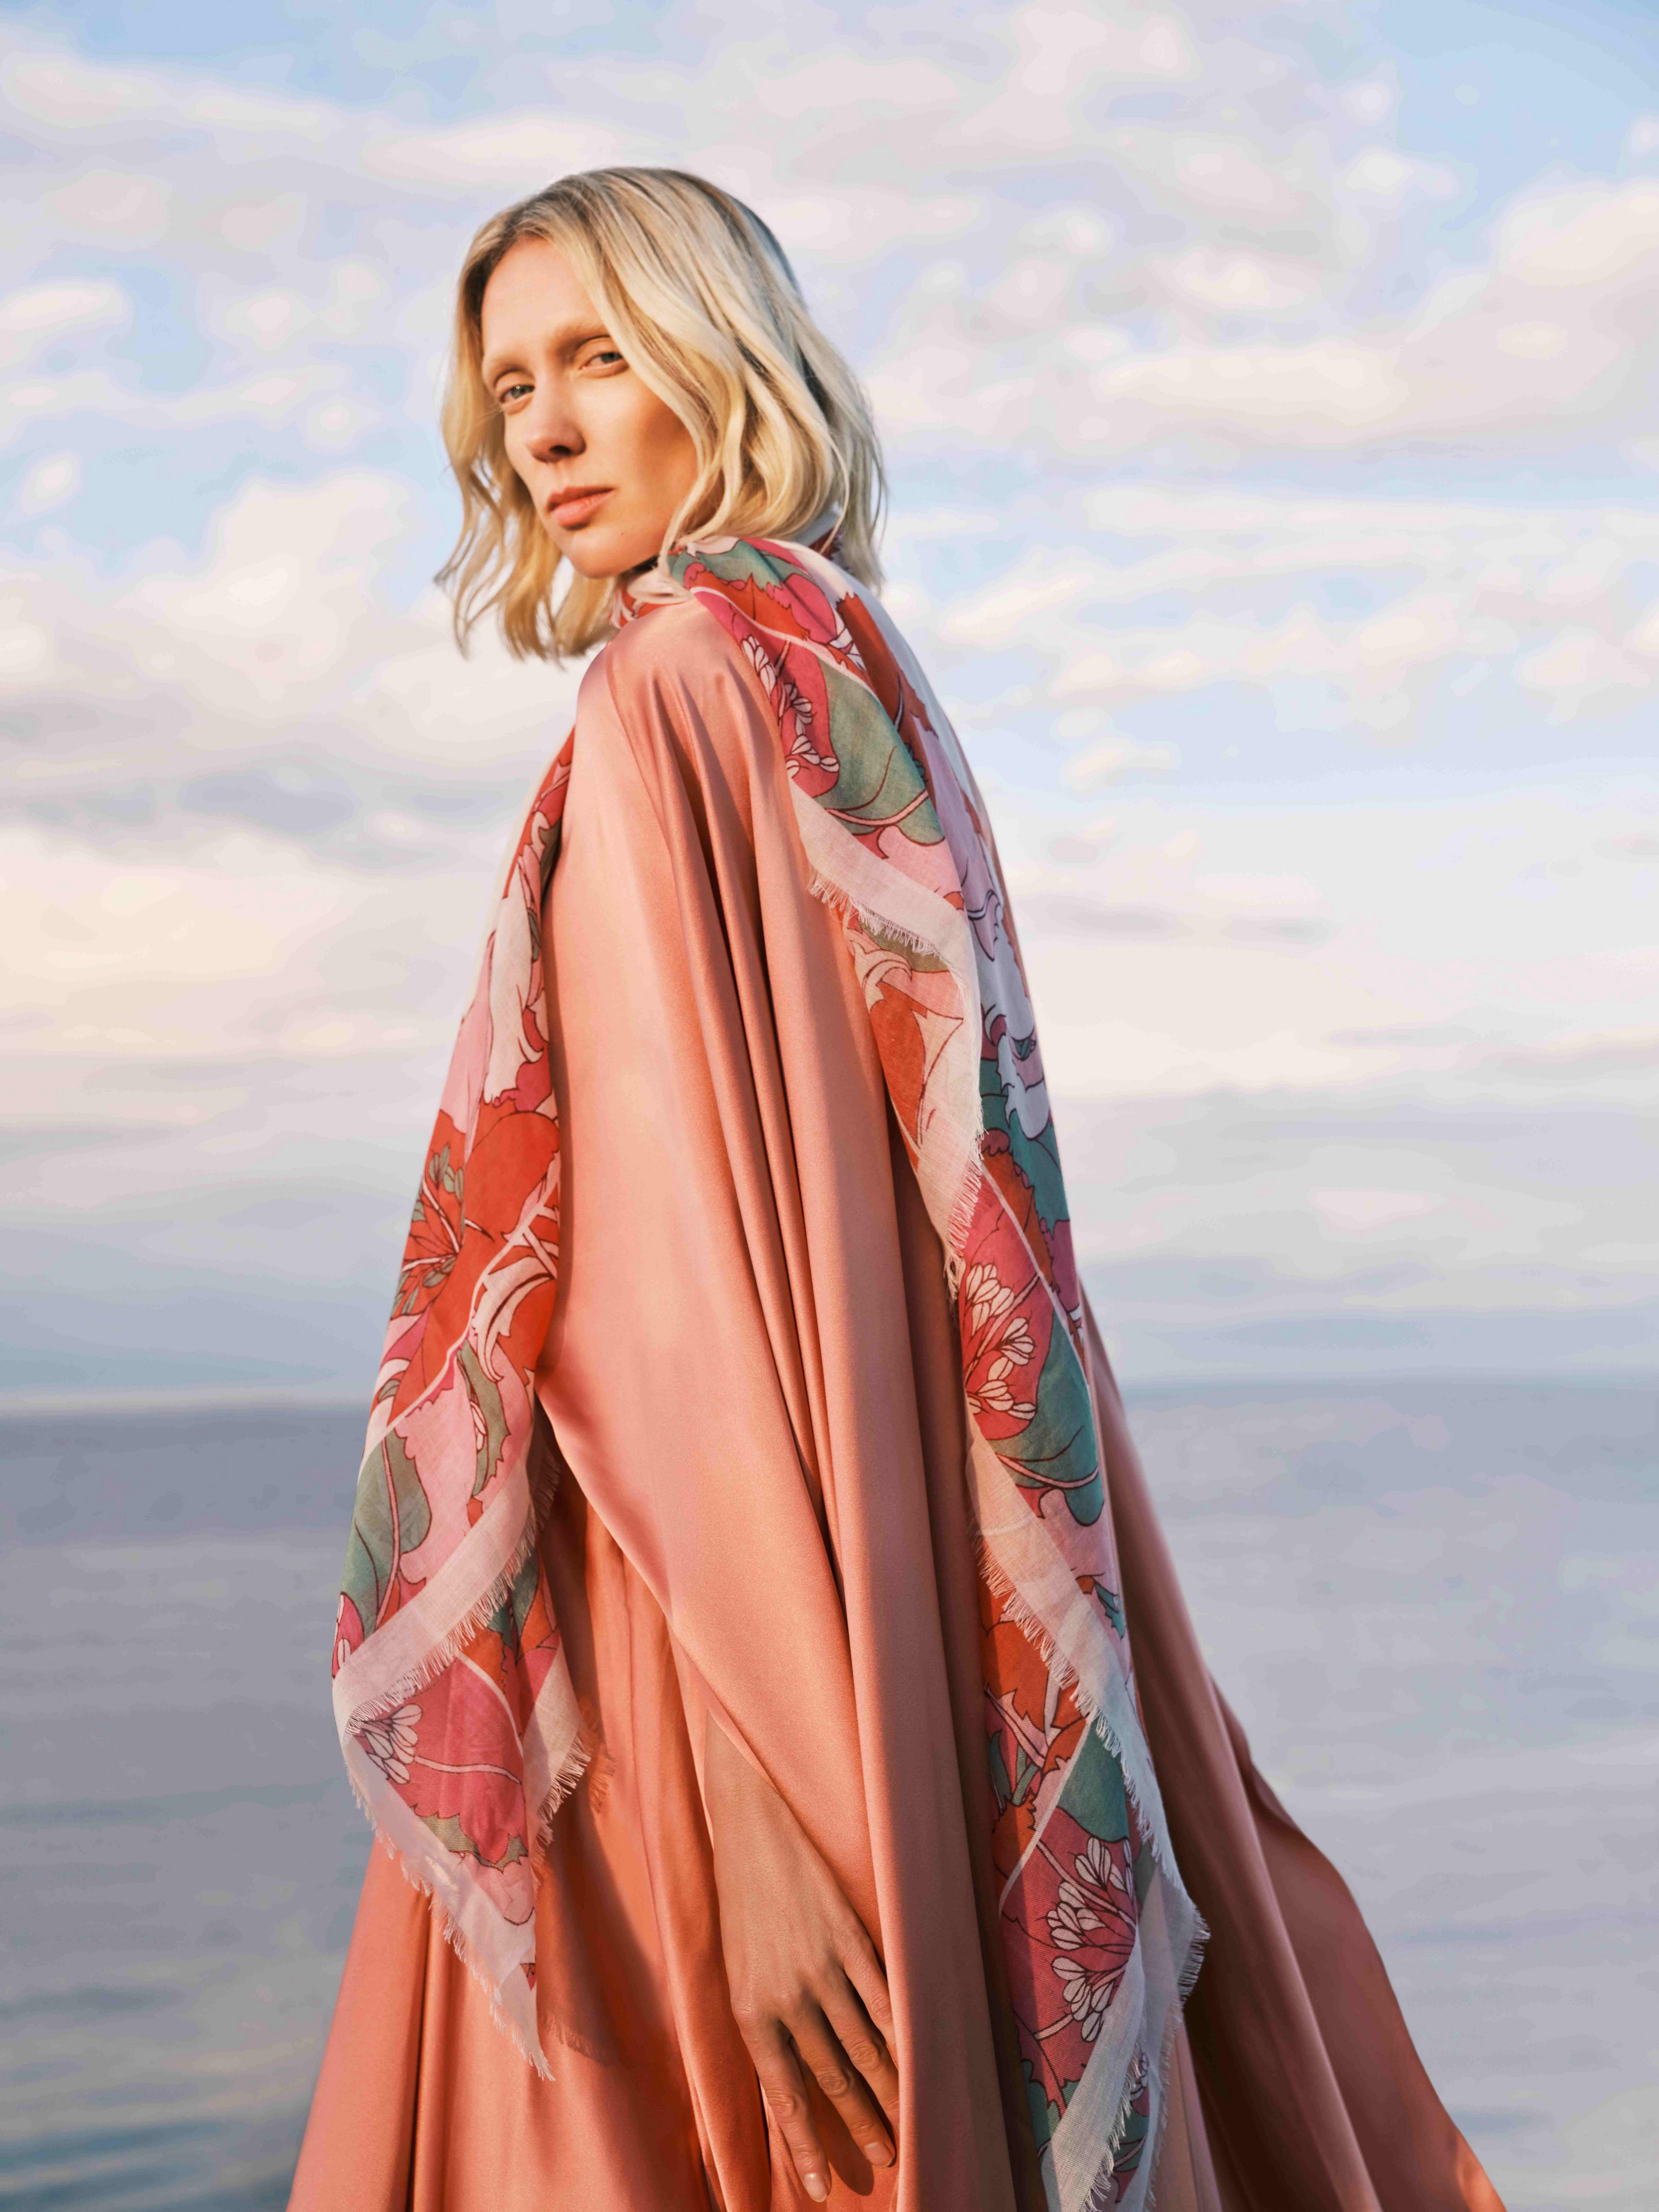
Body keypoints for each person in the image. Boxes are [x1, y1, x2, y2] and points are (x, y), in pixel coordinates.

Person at [288, 167, 1506, 2212]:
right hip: (904, 1608)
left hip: (721, 1687)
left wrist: (764, 1828)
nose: (552, 431)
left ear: (723, 360)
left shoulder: (676, 686)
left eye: (602, 356)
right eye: (511, 389)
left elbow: (650, 1312)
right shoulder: (849, 669)